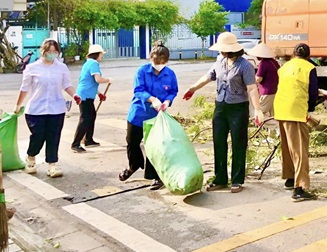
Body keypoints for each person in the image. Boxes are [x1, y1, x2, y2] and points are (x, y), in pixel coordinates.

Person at [183, 32, 264, 193]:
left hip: (238, 108)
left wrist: (257, 110)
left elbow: (252, 88)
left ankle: (237, 180)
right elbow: (208, 77)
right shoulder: (219, 61)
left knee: (238, 143)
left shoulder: (245, 65)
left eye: (222, 49)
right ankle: (220, 178)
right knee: (219, 141)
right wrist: (193, 88)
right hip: (221, 106)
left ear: (230, 50)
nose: (220, 52)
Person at [14, 39, 81, 178]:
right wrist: (18, 105)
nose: (52, 54)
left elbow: (67, 84)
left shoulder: (61, 67)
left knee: (53, 136)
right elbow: (25, 88)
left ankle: (52, 165)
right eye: (49, 51)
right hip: (36, 110)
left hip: (56, 108)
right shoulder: (32, 68)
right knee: (38, 136)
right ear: (42, 51)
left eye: (54, 52)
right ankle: (31, 157)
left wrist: (74, 94)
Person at [119, 41, 178, 190]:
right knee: (132, 142)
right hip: (138, 113)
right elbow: (138, 90)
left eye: (162, 62)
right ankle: (134, 165)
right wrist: (152, 99)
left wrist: (167, 101)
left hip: (157, 117)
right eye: (156, 62)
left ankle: (155, 177)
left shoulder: (170, 74)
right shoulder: (142, 71)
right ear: (151, 58)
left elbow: (173, 91)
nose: (159, 65)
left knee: (154, 147)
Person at [274, 43, 318, 202]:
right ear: (308, 55)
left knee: (288, 147)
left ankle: (290, 178)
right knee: (300, 150)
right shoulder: (309, 68)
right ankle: (299, 188)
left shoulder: (284, 67)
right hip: (296, 110)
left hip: (280, 108)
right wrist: (310, 108)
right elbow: (312, 92)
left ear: (293, 54)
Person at [71, 44, 112, 153]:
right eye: (101, 54)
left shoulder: (88, 63)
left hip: (87, 94)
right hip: (84, 96)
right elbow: (98, 79)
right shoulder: (93, 64)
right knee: (85, 119)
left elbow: (90, 81)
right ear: (97, 54)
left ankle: (88, 140)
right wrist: (108, 79)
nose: (101, 56)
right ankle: (76, 143)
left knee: (91, 115)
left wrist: (99, 93)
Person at [248, 43, 280, 122]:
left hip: (266, 92)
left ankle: (275, 127)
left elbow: (259, 79)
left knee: (259, 114)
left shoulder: (263, 63)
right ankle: (275, 131)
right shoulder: (274, 62)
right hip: (275, 90)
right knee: (273, 114)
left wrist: (250, 80)